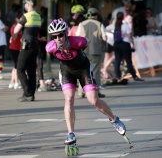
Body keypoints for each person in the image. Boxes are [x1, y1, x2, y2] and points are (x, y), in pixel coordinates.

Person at [46, 18, 127, 151]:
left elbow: (86, 43)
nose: (58, 38)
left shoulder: (78, 41)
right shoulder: (50, 47)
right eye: (54, 36)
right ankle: (71, 134)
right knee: (69, 98)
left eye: (60, 35)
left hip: (83, 69)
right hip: (67, 71)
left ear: (66, 33)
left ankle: (114, 119)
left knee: (94, 101)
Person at [13, 0, 41, 102]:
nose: (24, 5)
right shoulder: (38, 16)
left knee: (20, 68)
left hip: (26, 45)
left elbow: (16, 30)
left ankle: (27, 93)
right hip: (35, 45)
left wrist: (15, 32)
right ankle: (32, 93)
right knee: (31, 70)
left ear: (28, 5)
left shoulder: (26, 16)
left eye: (25, 4)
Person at [76, 7, 106, 98]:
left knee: (83, 71)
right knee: (95, 71)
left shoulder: (81, 24)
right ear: (96, 15)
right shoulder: (99, 24)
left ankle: (81, 92)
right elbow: (104, 37)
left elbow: (77, 36)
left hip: (83, 51)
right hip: (96, 50)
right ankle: (95, 91)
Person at [106, 12, 144, 81]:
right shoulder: (125, 25)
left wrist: (113, 32)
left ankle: (117, 76)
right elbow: (129, 35)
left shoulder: (114, 25)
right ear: (123, 17)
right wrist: (132, 43)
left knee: (117, 60)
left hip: (116, 44)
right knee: (128, 60)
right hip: (125, 44)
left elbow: (106, 29)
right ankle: (134, 76)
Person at [8, 12, 22, 89]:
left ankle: (12, 82)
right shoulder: (15, 26)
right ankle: (16, 82)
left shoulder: (17, 26)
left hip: (16, 47)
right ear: (17, 19)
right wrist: (18, 33)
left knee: (15, 66)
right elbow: (14, 37)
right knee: (17, 65)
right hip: (14, 48)